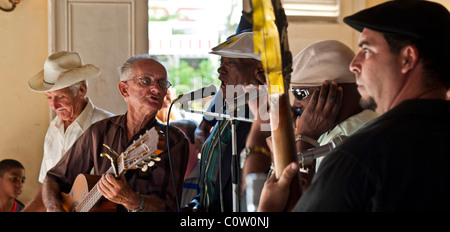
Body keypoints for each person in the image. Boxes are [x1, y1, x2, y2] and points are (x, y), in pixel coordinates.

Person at [258, 0, 450, 212]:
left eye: (366, 50)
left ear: (407, 58)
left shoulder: (358, 156)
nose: (354, 64)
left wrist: (266, 211)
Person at [42, 54, 190, 212]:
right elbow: (53, 178)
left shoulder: (173, 140)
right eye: (146, 81)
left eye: (162, 83)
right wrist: (54, 208)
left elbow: (169, 207)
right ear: (124, 89)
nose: (157, 88)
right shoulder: (99, 132)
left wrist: (133, 200)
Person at [242, 40, 379, 193]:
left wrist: (305, 137)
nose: (295, 104)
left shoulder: (354, 141)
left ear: (333, 92)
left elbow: (298, 202)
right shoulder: (327, 129)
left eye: (300, 94)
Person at [23, 51, 115, 212]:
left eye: (60, 97)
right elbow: (48, 186)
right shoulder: (53, 128)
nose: (54, 105)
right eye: (49, 97)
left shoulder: (108, 127)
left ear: (82, 91)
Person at [184, 31, 265, 212]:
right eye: (221, 63)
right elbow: (214, 182)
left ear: (260, 70)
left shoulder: (267, 124)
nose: (220, 70)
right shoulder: (228, 111)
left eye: (231, 63)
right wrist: (197, 204)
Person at [170, 119, 201, 209]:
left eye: (179, 141)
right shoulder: (161, 177)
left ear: (197, 146)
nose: (172, 147)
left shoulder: (206, 178)